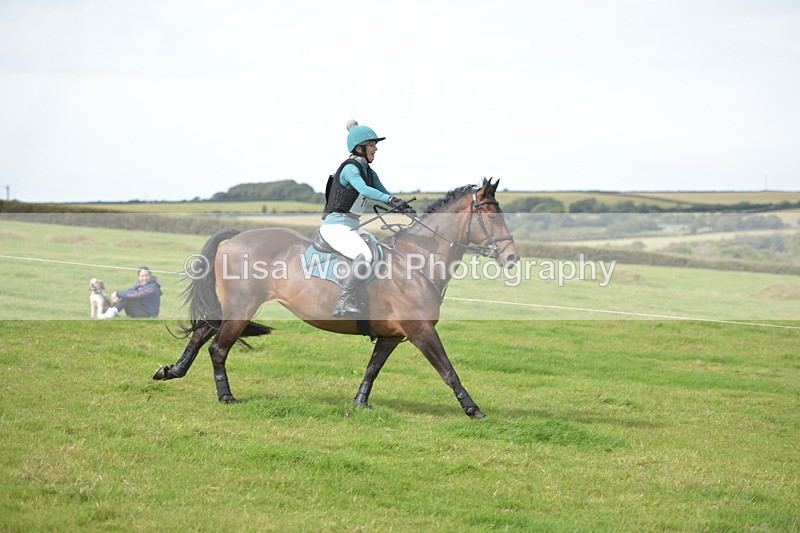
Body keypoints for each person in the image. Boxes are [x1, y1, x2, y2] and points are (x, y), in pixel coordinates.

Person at [321, 119, 415, 318]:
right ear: (360, 147)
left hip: (352, 226)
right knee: (366, 256)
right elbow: (364, 190)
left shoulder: (369, 172)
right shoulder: (350, 169)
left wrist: (402, 206)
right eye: (372, 145)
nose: (376, 149)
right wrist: (391, 199)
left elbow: (383, 192)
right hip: (335, 226)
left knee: (380, 250)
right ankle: (343, 302)